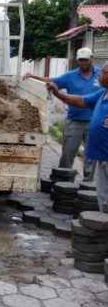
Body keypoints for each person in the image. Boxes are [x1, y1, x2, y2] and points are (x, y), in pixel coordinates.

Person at [24, 48, 102, 181]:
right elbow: (53, 81)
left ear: (91, 60)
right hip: (74, 121)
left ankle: (88, 185)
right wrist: (33, 76)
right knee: (68, 153)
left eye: (86, 60)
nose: (83, 63)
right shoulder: (71, 76)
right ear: (77, 60)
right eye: (81, 60)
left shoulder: (101, 74)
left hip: (94, 121)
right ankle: (63, 183)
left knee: (91, 156)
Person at [47, 63, 108, 212]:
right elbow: (80, 100)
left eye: (103, 73)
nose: (99, 75)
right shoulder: (102, 94)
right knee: (103, 197)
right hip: (102, 157)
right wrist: (58, 93)